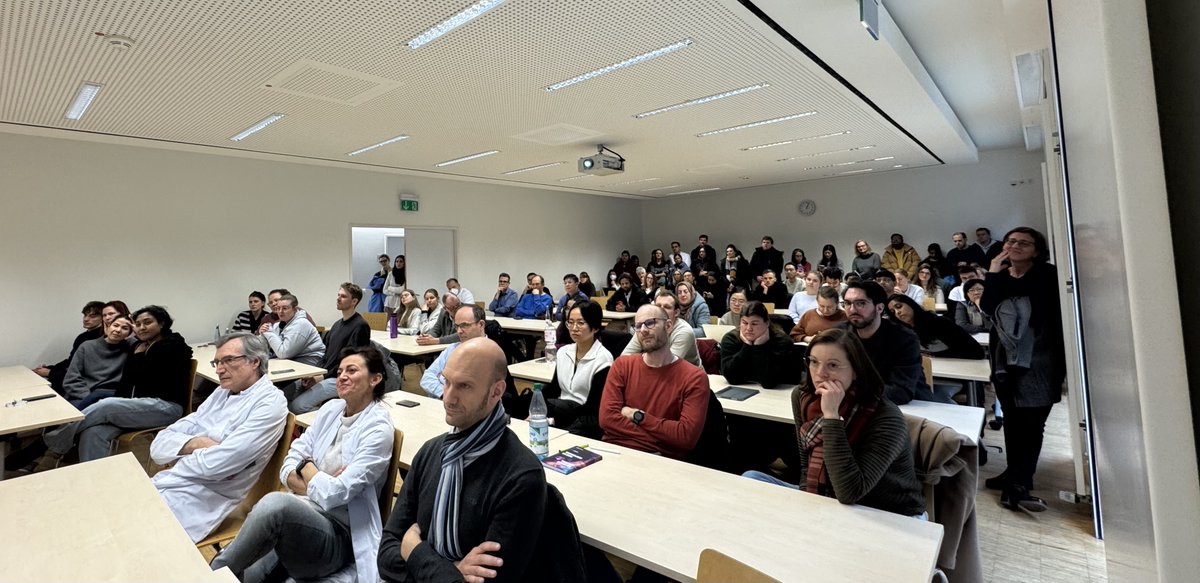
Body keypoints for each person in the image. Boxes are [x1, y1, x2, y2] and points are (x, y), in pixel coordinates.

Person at [210, 346, 394, 583]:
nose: (342, 377)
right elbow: (288, 466)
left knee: (275, 505)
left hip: (338, 536)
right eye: (339, 372)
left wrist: (306, 466)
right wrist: (318, 476)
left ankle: (208, 573)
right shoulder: (331, 409)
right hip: (303, 517)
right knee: (249, 574)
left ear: (375, 379)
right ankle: (216, 572)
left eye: (351, 370)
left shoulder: (378, 429)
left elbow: (335, 494)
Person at [379, 338, 549, 582]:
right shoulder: (430, 453)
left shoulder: (520, 476)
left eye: (464, 386)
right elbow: (386, 554)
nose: (448, 398)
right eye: (446, 382)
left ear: (496, 392)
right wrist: (451, 571)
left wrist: (415, 552)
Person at [744, 329, 926, 517]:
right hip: (828, 497)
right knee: (750, 478)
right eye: (814, 362)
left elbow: (850, 492)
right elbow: (807, 467)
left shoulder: (886, 416)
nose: (820, 373)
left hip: (886, 511)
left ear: (856, 371)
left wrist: (831, 416)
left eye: (832, 365)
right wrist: (807, 508)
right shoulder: (803, 397)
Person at [151, 333, 289, 543]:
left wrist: (179, 453)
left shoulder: (270, 404)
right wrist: (197, 444)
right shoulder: (222, 392)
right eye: (217, 362)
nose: (218, 369)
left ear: (254, 361)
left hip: (201, 500)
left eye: (228, 360)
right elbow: (158, 447)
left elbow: (216, 466)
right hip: (174, 481)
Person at [37, 305, 194, 469]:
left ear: (161, 324)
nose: (142, 327)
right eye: (138, 324)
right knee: (93, 432)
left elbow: (147, 374)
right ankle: (96, 478)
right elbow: (127, 381)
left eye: (147, 322)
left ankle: (52, 446)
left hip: (166, 407)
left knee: (107, 404)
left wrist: (139, 354)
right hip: (136, 408)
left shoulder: (173, 345)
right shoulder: (140, 346)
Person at [981, 227, 1065, 512]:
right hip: (1005, 359)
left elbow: (1033, 304)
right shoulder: (1001, 276)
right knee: (1013, 421)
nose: (1015, 246)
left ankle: (1019, 483)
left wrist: (999, 279)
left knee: (1032, 423)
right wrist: (993, 271)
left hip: (1040, 358)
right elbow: (989, 307)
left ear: (1037, 251)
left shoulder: (1047, 275)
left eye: (1024, 243)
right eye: (1011, 241)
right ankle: (1014, 474)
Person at [600, 304, 710, 459]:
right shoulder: (622, 365)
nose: (643, 330)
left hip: (658, 460)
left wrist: (636, 415)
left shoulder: (694, 378)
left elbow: (685, 436)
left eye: (650, 323)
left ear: (668, 326)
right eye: (638, 326)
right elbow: (607, 419)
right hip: (613, 452)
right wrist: (660, 438)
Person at [514, 301, 613, 438]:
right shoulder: (564, 352)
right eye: (570, 323)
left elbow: (593, 408)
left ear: (595, 327)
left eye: (580, 323)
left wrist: (553, 420)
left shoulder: (603, 359)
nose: (574, 328)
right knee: (521, 404)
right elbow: (554, 388)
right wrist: (535, 406)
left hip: (585, 416)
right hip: (560, 409)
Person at [838, 282, 932, 404]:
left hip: (911, 407)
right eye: (847, 303)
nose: (852, 310)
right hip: (858, 404)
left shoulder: (905, 339)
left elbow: (900, 392)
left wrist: (850, 392)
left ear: (880, 308)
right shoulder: (839, 334)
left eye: (861, 303)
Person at [289, 283, 373, 414]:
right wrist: (314, 373)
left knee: (297, 407)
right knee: (286, 397)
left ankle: (333, 418)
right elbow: (326, 355)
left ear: (354, 301)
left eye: (343, 296)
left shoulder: (360, 326)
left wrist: (322, 377)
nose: (338, 299)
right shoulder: (336, 325)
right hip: (325, 374)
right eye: (338, 295)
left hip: (340, 378)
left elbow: (352, 362)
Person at [720, 301, 801, 388]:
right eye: (744, 323)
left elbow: (769, 382)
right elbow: (731, 378)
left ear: (767, 323)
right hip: (744, 389)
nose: (749, 328)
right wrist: (746, 347)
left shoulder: (782, 341)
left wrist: (759, 347)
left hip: (778, 392)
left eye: (754, 324)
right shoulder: (731, 339)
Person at [62, 314, 133, 409]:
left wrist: (136, 331)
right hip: (86, 395)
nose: (118, 330)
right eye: (115, 325)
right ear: (108, 326)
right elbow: (71, 379)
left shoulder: (132, 346)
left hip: (113, 397)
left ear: (129, 333)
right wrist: (89, 398)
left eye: (125, 328)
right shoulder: (87, 346)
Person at [35, 300, 105, 391]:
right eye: (85, 315)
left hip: (86, 383)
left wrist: (51, 372)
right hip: (70, 376)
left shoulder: (102, 338)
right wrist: (49, 368)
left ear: (103, 318)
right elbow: (71, 361)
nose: (86, 319)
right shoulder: (82, 336)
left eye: (92, 316)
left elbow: (87, 369)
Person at [888, 294, 984, 360]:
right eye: (893, 312)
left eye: (899, 306)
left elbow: (976, 352)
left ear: (911, 304)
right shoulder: (903, 330)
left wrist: (935, 355)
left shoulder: (939, 323)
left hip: (954, 369)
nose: (897, 312)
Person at [420, 305, 488, 398]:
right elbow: (427, 377)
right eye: (457, 326)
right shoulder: (452, 348)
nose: (459, 331)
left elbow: (474, 392)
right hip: (439, 401)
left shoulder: (491, 354)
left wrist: (441, 381)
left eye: (464, 325)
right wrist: (445, 394)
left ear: (481, 325)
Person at [621, 292, 702, 367]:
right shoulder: (645, 327)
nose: (661, 310)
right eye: (658, 306)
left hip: (685, 375)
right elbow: (624, 358)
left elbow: (666, 366)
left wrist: (639, 360)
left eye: (667, 307)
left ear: (676, 312)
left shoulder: (684, 332)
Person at [262, 293, 325, 366]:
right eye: (278, 308)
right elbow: (268, 349)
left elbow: (283, 353)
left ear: (295, 309)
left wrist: (269, 333)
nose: (280, 311)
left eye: (285, 308)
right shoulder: (278, 325)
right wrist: (263, 334)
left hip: (310, 362)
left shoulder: (301, 324)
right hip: (292, 360)